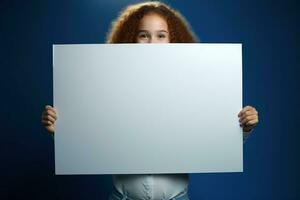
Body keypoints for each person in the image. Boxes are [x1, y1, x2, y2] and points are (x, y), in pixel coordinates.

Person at [41, 1, 259, 200]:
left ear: (173, 39)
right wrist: (60, 133)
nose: (152, 42)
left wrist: (243, 126)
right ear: (132, 39)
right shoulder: (109, 83)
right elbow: (92, 136)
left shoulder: (194, 85)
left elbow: (212, 141)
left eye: (161, 35)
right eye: (143, 35)